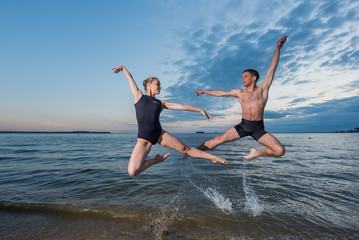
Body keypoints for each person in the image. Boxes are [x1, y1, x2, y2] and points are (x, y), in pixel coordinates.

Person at [112, 66, 227, 176]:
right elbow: (130, 78)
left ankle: (212, 157)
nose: (160, 87)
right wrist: (124, 68)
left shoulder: (161, 103)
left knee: (185, 149)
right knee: (133, 172)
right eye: (158, 84)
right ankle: (156, 160)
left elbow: (181, 106)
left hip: (159, 134)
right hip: (144, 140)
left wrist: (199, 110)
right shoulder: (138, 96)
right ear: (149, 85)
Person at [192, 35, 287, 160]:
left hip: (257, 128)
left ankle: (256, 153)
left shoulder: (263, 90)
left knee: (280, 150)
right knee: (217, 140)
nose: (242, 79)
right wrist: (204, 91)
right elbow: (220, 93)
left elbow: (272, 68)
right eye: (242, 77)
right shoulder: (239, 92)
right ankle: (191, 152)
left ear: (254, 78)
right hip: (243, 126)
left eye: (245, 77)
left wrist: (277, 48)